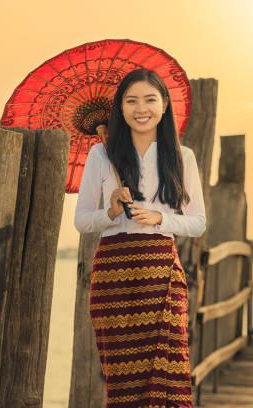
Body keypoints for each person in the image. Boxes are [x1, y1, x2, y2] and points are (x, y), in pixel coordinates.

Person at [74, 67, 205, 407]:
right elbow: (82, 221)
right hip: (114, 276)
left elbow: (199, 222)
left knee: (171, 374)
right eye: (131, 101)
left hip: (161, 272)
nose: (141, 108)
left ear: (164, 105)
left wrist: (162, 218)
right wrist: (111, 212)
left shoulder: (182, 155)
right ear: (120, 108)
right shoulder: (101, 155)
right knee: (123, 384)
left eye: (150, 99)